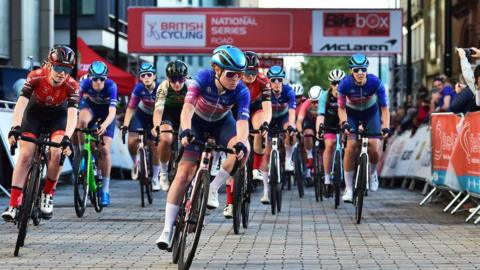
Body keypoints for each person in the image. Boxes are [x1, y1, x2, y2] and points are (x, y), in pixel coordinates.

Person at [156, 45, 250, 249]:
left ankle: (213, 189)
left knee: (244, 150)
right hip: (196, 123)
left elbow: (242, 121)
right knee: (184, 173)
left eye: (240, 75)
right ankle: (167, 230)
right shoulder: (202, 78)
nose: (236, 79)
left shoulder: (241, 90)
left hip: (222, 124)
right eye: (231, 74)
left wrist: (241, 142)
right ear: (216, 69)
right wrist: (186, 130)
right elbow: (187, 108)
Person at [2, 46, 79, 221]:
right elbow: (21, 104)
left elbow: (73, 115)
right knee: (25, 155)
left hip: (57, 118)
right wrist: (15, 127)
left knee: (57, 152)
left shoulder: (72, 85)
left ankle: (47, 194)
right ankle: (14, 204)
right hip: (34, 115)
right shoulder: (36, 76)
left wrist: (67, 138)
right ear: (49, 65)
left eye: (67, 69)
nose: (62, 73)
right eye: (59, 68)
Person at [338, 54, 390, 203]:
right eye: (356, 70)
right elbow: (341, 108)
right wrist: (344, 123)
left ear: (366, 70)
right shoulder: (344, 84)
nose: (360, 72)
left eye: (363, 69)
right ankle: (348, 188)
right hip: (352, 113)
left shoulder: (375, 82)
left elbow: (384, 108)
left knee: (374, 146)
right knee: (351, 146)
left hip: (371, 113)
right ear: (351, 71)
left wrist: (385, 126)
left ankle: (373, 174)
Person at [77, 61, 118, 206]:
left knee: (105, 150)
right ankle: (83, 155)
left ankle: (105, 190)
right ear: (90, 77)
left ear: (106, 78)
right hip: (91, 110)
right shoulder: (84, 84)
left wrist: (104, 125)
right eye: (95, 79)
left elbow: (112, 112)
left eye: (102, 79)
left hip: (106, 114)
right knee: (81, 122)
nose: (98, 82)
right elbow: (75, 104)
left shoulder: (112, 86)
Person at [121, 63, 162, 191]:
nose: (146, 77)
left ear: (154, 76)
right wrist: (126, 125)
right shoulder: (138, 88)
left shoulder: (161, 88)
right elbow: (131, 108)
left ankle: (155, 178)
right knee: (131, 141)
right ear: (140, 78)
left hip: (157, 114)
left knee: (155, 146)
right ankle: (136, 162)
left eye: (149, 74)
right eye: (143, 75)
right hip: (142, 114)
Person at [259, 66, 296, 204]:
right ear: (269, 80)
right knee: (266, 153)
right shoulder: (265, 91)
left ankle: (287, 159)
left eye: (279, 79)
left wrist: (292, 125)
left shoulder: (288, 91)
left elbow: (292, 111)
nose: (276, 82)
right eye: (273, 80)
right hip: (268, 119)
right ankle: (265, 191)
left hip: (283, 119)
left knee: (290, 130)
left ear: (282, 80)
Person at [151, 60, 189, 191]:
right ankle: (163, 173)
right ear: (168, 79)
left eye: (180, 79)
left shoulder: (191, 85)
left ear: (186, 77)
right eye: (173, 80)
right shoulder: (163, 86)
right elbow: (158, 110)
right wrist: (156, 125)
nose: (177, 84)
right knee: (165, 139)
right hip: (168, 114)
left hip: (186, 113)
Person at [242, 51, 272, 186]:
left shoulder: (263, 80)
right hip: (237, 106)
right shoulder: (234, 79)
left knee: (261, 130)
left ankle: (256, 169)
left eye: (253, 73)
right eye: (247, 73)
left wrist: (266, 123)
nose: (250, 76)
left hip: (254, 107)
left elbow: (267, 107)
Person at [316, 69, 345, 197]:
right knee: (330, 145)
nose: (337, 86)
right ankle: (327, 178)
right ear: (330, 84)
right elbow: (320, 115)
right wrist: (319, 128)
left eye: (340, 82)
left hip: (344, 122)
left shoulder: (347, 94)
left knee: (351, 145)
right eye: (334, 83)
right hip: (329, 123)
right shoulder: (324, 95)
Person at [296, 85, 322, 181]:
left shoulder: (325, 102)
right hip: (310, 123)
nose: (315, 105)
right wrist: (300, 132)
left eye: (318, 102)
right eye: (313, 102)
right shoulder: (306, 103)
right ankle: (310, 156)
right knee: (307, 133)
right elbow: (299, 121)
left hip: (323, 122)